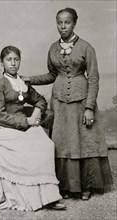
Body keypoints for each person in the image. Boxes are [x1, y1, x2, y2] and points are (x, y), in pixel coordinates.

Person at [28, 8, 113, 200]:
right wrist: (29, 79)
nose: (63, 26)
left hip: (81, 101)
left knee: (84, 141)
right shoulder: (52, 48)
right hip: (59, 103)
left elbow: (93, 78)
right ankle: (65, 186)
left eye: (67, 22)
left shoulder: (86, 47)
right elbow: (52, 75)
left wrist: (89, 107)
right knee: (63, 142)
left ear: (75, 23)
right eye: (59, 22)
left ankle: (87, 186)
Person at [0, 45, 66, 211]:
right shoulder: (0, 86)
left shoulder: (23, 83)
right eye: (9, 60)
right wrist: (26, 122)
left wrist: (36, 112)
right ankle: (33, 196)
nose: (13, 63)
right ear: (2, 63)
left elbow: (40, 100)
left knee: (47, 145)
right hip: (3, 128)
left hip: (24, 123)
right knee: (26, 149)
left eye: (16, 59)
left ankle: (48, 196)